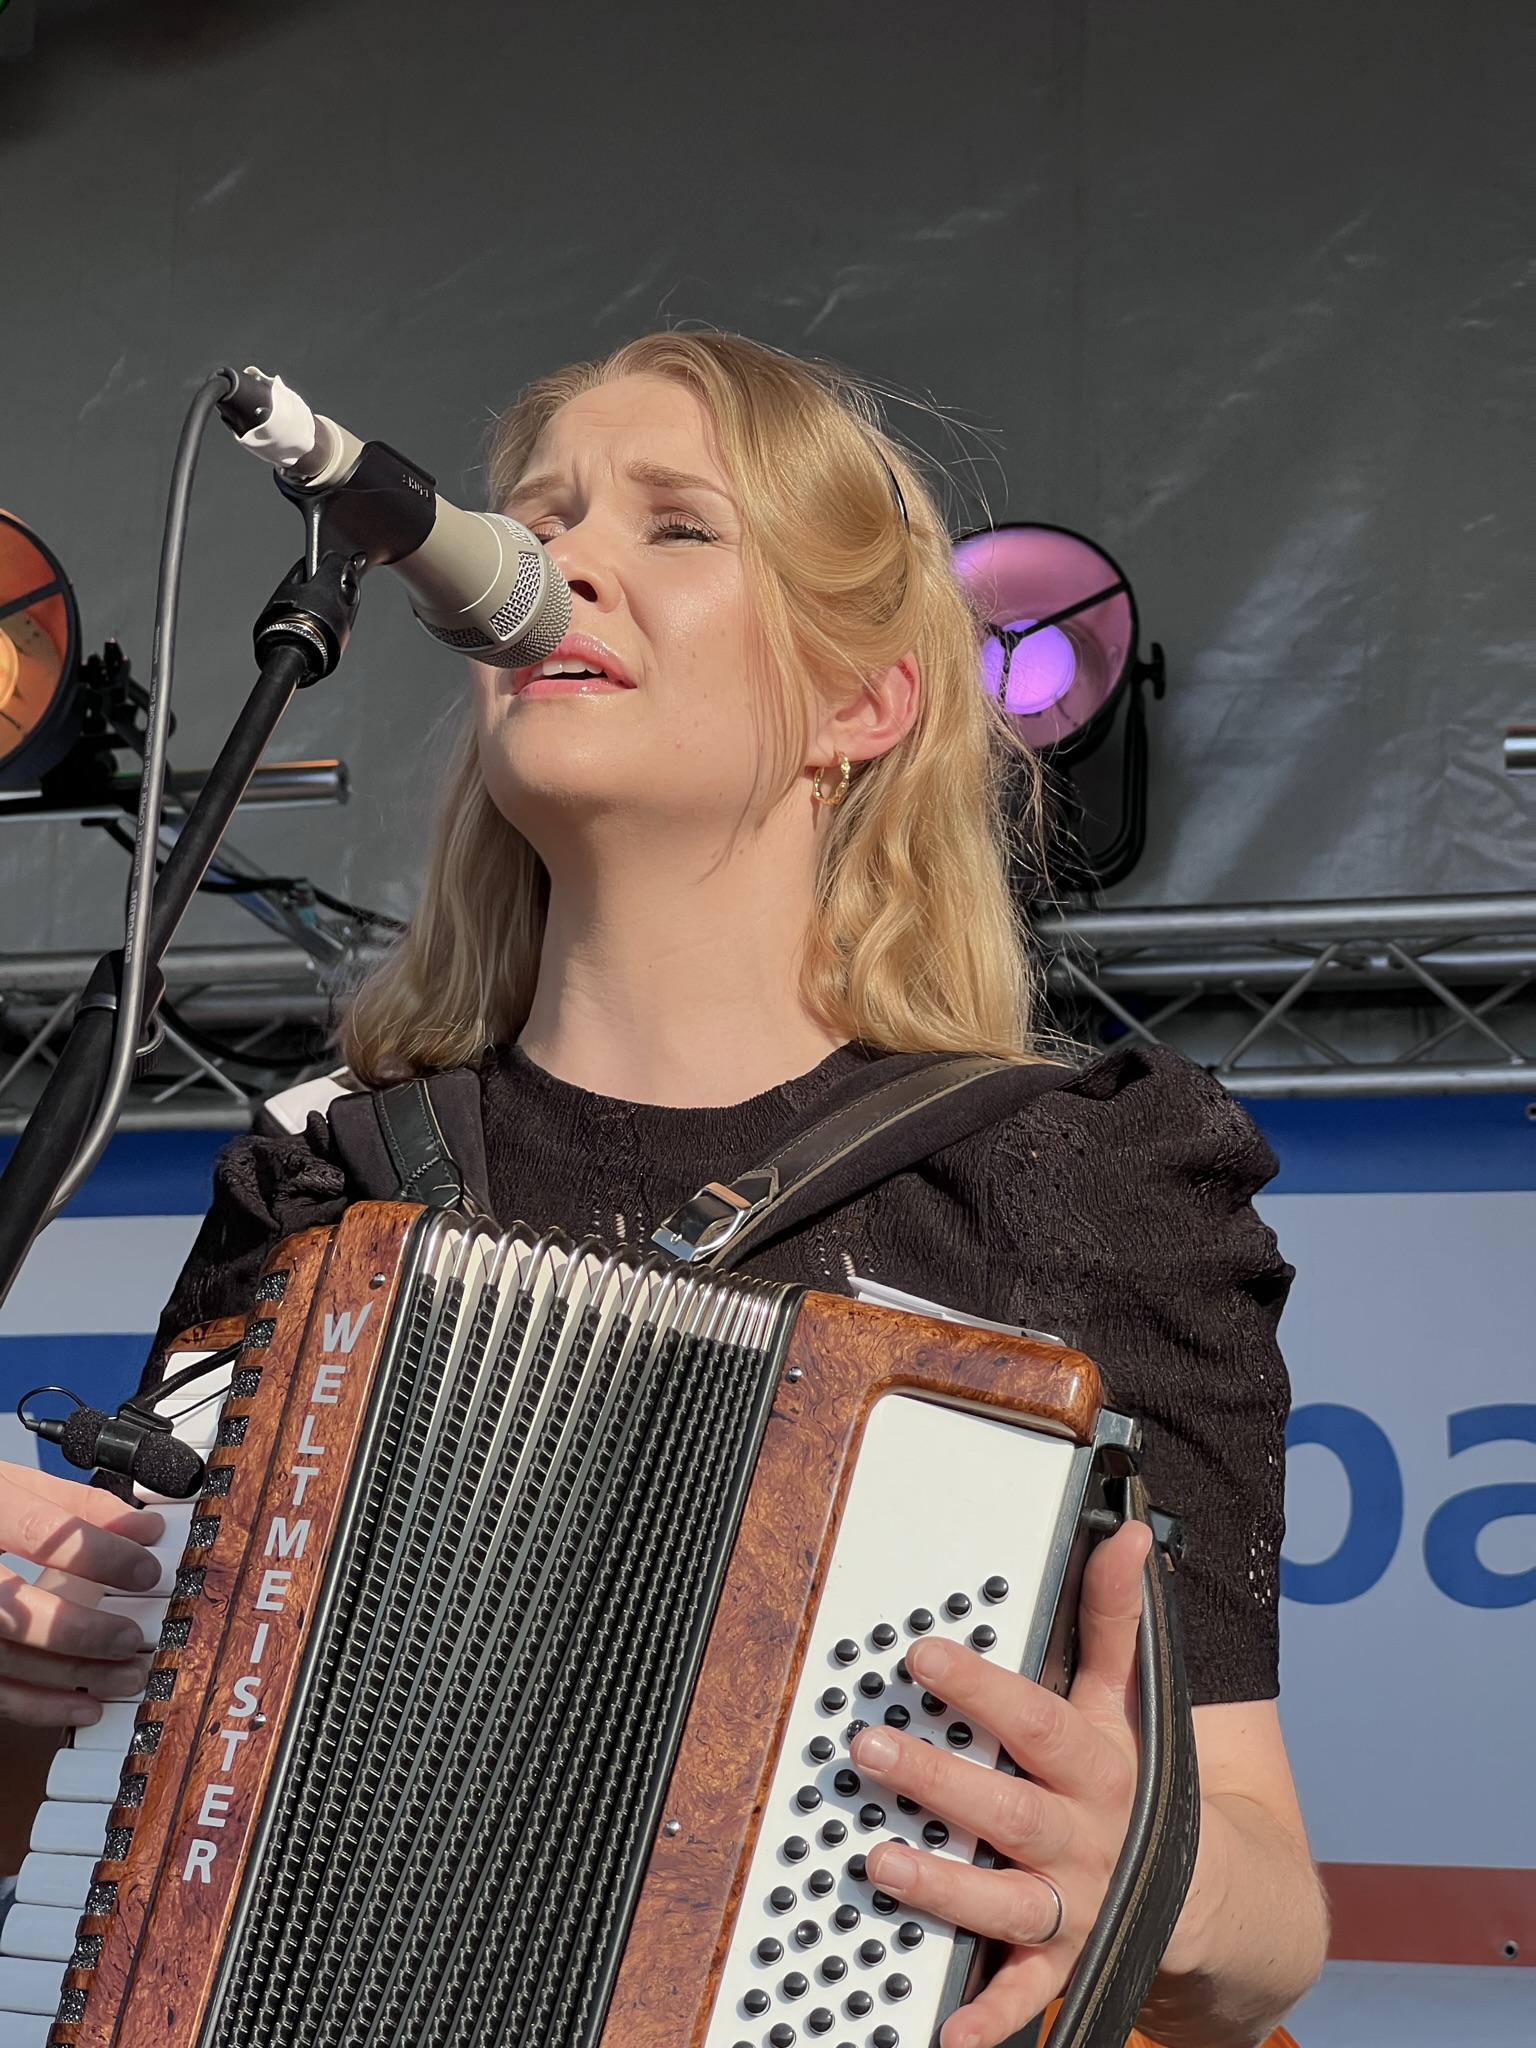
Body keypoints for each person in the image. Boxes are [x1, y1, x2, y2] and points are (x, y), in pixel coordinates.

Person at [0, 333, 1327, 2046]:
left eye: (678, 525)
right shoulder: (325, 1182)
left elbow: (1273, 1915)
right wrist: (31, 1679)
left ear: (863, 706)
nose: (557, 565)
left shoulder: (1072, 1178)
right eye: (537, 521)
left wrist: (1140, 1875)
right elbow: (108, 1828)